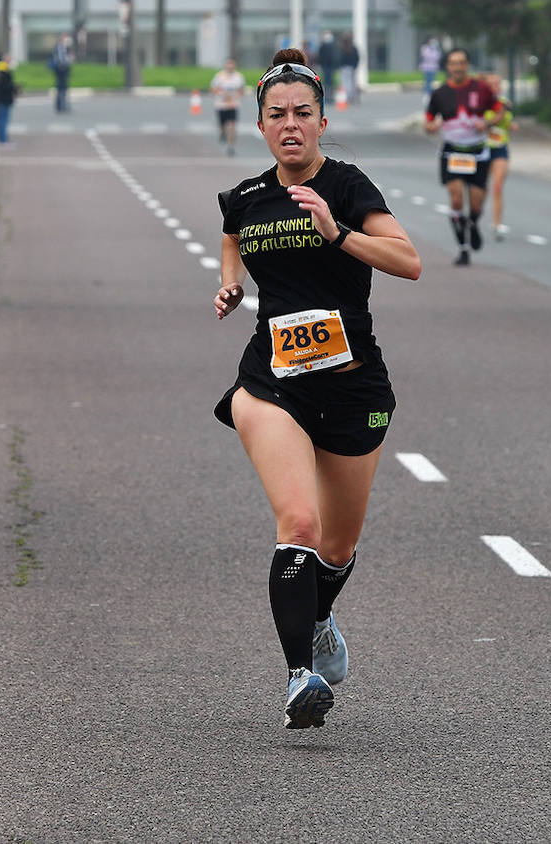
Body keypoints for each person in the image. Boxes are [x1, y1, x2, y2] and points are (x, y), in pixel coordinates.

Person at [213, 49, 421, 730]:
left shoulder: (349, 186)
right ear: (261, 125)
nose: (291, 124)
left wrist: (340, 233)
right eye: (278, 115)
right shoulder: (247, 196)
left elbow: (408, 262)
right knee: (297, 524)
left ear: (324, 122)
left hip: (352, 385)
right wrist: (230, 283)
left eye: (303, 113)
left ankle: (322, 614)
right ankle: (301, 677)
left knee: (334, 547)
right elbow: (232, 237)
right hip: (271, 381)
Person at [424, 47, 498, 266]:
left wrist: (488, 122)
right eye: (453, 63)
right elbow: (428, 121)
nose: (457, 67)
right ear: (448, 67)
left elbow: (499, 110)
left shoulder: (481, 89)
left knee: (476, 203)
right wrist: (432, 126)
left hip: (477, 152)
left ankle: (473, 223)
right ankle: (463, 247)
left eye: (461, 63)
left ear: (467, 65)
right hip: (452, 152)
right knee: (456, 198)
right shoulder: (440, 93)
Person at [482, 72, 516, 241]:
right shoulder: (480, 103)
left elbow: (509, 122)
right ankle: (472, 217)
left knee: (497, 186)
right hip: (482, 149)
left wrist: (510, 124)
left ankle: (496, 224)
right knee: (479, 188)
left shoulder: (504, 104)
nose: (496, 87)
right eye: (492, 84)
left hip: (500, 148)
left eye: (498, 83)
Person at [209, 57, 245, 156]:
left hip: (233, 106)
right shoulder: (219, 77)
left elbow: (242, 91)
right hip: (221, 105)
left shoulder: (239, 77)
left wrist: (234, 97)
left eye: (231, 64)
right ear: (225, 66)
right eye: (228, 64)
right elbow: (212, 90)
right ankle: (222, 132)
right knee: (223, 126)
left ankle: (231, 147)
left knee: (232, 126)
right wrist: (222, 95)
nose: (230, 66)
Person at [49, 33, 73, 113]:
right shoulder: (60, 48)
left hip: (63, 69)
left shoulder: (64, 48)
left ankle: (62, 105)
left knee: (63, 88)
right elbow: (61, 60)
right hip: (61, 70)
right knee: (61, 88)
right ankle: (61, 106)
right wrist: (69, 60)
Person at [338, 33, 360, 105]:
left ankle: (347, 97)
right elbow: (357, 58)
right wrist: (355, 66)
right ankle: (352, 97)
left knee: (346, 83)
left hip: (345, 67)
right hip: (352, 67)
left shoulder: (342, 48)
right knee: (353, 83)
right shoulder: (353, 48)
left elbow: (340, 58)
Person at [419, 37, 442, 103]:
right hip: (426, 68)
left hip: (434, 68)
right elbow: (424, 57)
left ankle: (430, 94)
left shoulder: (436, 51)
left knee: (431, 82)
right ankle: (427, 94)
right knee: (427, 81)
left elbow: (437, 58)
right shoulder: (425, 49)